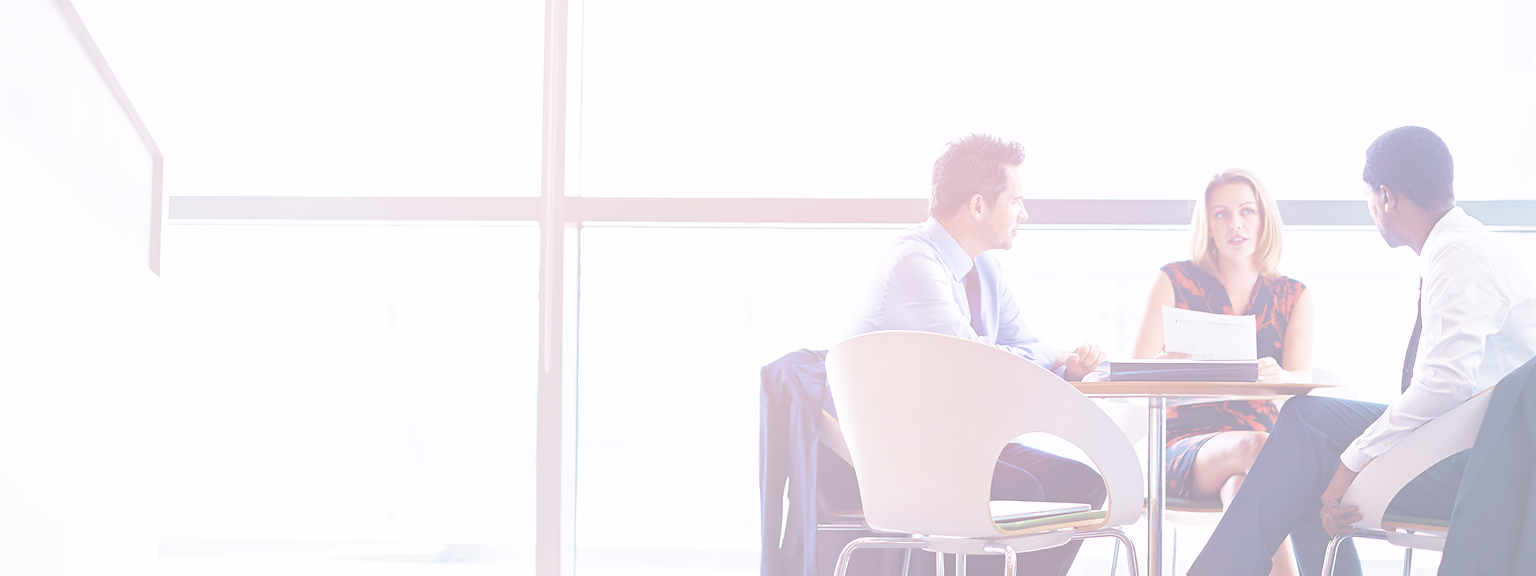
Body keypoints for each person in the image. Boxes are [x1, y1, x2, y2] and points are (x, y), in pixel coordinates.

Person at [1186, 126, 1536, 576]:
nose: (1372, 210)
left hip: (1481, 468)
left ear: (1386, 197)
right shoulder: (1463, 246)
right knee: (1303, 438)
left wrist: (1351, 464)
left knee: (1305, 432)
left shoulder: (1458, 258)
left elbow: (1443, 386)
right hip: (1473, 444)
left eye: (1370, 198)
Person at [848, 133, 1107, 576]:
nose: (1024, 213)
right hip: (904, 455)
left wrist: (1062, 362)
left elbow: (1019, 348)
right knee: (1024, 491)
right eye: (1017, 201)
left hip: (963, 444)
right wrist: (1051, 355)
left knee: (1082, 485)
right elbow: (976, 363)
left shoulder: (984, 267)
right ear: (978, 206)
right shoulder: (914, 264)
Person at [1131, 169, 1313, 576]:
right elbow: (1132, 376)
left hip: (1258, 454)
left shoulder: (1293, 295)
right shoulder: (1174, 280)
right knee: (1258, 449)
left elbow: (1301, 388)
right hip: (1184, 445)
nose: (1236, 224)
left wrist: (1278, 376)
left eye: (1247, 212)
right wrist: (1160, 368)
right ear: (1207, 225)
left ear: (1264, 220)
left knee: (1243, 488)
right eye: (1222, 214)